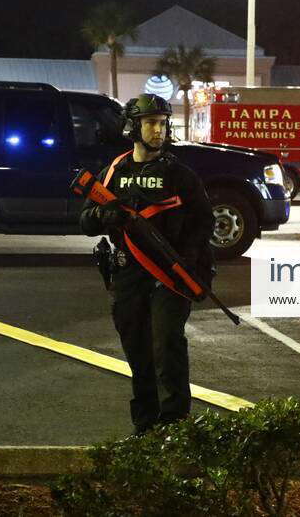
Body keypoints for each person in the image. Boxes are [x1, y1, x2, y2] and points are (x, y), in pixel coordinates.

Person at [79, 94, 215, 435]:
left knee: (167, 346)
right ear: (133, 127)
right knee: (138, 353)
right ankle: (144, 427)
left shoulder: (180, 175)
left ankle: (173, 428)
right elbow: (85, 222)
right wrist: (101, 213)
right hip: (127, 274)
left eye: (163, 123)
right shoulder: (115, 171)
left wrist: (189, 261)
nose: (159, 130)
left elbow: (203, 222)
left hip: (169, 275)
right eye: (151, 123)